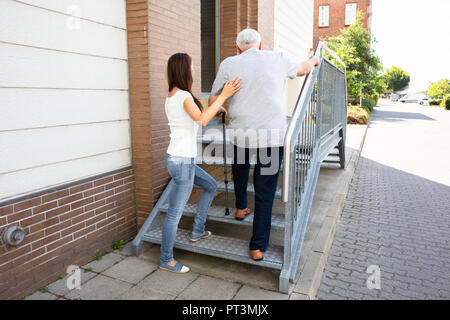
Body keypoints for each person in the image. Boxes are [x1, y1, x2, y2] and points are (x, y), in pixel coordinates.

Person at [209, 29, 320, 261]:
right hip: (271, 138)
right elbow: (302, 69)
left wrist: (222, 109)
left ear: (238, 48)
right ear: (260, 46)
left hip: (241, 133)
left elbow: (213, 99)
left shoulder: (229, 63)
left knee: (239, 168)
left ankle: (240, 207)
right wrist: (314, 59)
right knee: (265, 189)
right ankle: (257, 246)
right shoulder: (277, 58)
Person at [160, 53, 242, 273]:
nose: (195, 69)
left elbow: (196, 120)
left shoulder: (173, 95)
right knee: (175, 213)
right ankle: (166, 259)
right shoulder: (184, 95)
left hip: (179, 160)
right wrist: (223, 95)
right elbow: (202, 120)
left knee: (210, 185)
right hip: (182, 162)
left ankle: (198, 230)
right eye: (193, 66)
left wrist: (217, 111)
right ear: (184, 70)